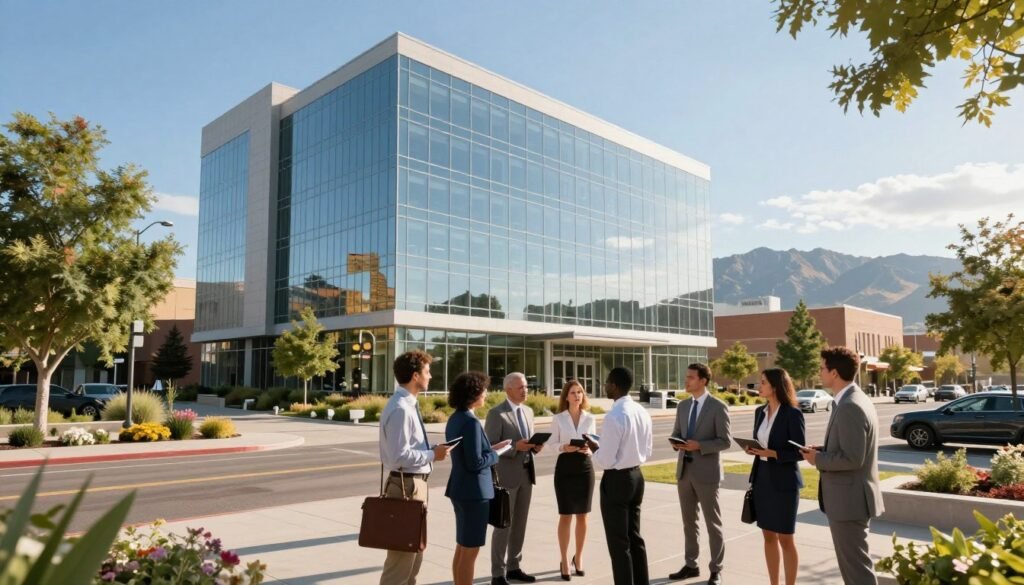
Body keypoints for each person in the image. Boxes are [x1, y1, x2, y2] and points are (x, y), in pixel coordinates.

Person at [801, 346, 885, 585]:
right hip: (848, 500)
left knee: (857, 570)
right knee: (853, 568)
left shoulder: (850, 406)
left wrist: (817, 459)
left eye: (822, 368)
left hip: (850, 502)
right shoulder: (848, 400)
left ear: (834, 373)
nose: (819, 373)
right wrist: (823, 451)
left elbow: (852, 458)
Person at [378, 351, 453, 585]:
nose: (430, 376)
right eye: (427, 372)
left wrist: (431, 449)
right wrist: (432, 454)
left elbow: (407, 447)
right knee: (401, 561)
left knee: (414, 557)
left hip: (413, 485)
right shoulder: (401, 409)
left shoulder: (407, 405)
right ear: (414, 376)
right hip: (405, 487)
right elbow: (399, 456)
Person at [445, 371, 512, 585]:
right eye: (483, 391)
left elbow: (468, 453)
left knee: (462, 547)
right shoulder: (471, 423)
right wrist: (496, 454)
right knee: (470, 551)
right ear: (473, 394)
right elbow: (475, 463)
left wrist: (490, 448)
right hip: (475, 493)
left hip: (460, 489)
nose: (486, 394)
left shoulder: (456, 418)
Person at [588, 366, 653, 585]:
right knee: (635, 537)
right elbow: (648, 449)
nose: (605, 386)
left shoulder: (615, 415)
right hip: (637, 476)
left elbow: (605, 459)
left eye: (607, 382)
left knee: (619, 543)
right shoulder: (641, 411)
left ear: (614, 386)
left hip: (617, 480)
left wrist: (593, 449)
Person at [743, 368, 807, 585]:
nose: (758, 386)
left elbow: (800, 451)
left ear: (775, 386)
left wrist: (773, 453)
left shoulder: (792, 413)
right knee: (768, 535)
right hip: (762, 480)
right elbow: (761, 442)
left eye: (762, 383)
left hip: (784, 482)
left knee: (785, 538)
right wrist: (752, 449)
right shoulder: (759, 412)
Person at [668, 363, 730, 585]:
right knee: (688, 522)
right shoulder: (683, 406)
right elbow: (677, 433)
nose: (686, 381)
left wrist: (699, 446)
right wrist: (677, 443)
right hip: (684, 472)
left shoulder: (718, 407)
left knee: (712, 523)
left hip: (707, 474)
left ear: (703, 380)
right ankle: (691, 565)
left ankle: (716, 569)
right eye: (686, 377)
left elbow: (725, 441)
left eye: (691, 377)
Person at [485, 372, 543, 584]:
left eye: (526, 386)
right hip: (506, 478)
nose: (525, 390)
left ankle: (514, 567)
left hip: (527, 475)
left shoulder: (528, 411)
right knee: (503, 526)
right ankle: (497, 573)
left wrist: (535, 447)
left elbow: (527, 444)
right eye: (521, 387)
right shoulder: (496, 414)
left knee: (520, 524)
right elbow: (489, 447)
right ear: (508, 389)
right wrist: (514, 447)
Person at [549, 379, 597, 580]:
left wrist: (589, 448)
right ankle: (564, 559)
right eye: (573, 392)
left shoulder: (590, 418)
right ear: (566, 397)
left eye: (580, 392)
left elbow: (595, 443)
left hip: (585, 468)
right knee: (566, 515)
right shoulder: (559, 418)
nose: (577, 395)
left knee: (583, 515)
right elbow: (551, 444)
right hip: (566, 468)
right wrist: (563, 447)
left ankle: (579, 558)